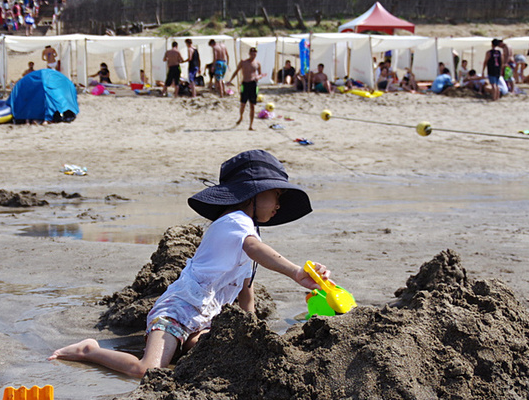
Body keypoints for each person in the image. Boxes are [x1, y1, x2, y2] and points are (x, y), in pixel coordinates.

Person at [49, 150, 328, 378]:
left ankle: (185, 345)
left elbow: (246, 292)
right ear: (252, 194)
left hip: (203, 320)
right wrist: (296, 272)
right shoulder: (234, 222)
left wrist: (252, 333)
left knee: (210, 355)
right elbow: (256, 249)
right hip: (176, 312)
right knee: (147, 370)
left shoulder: (249, 231)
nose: (279, 203)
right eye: (276, 195)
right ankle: (89, 351)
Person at [228, 47, 264, 130]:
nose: (253, 55)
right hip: (245, 84)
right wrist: (230, 80)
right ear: (249, 54)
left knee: (253, 105)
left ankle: (251, 125)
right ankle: (241, 117)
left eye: (255, 54)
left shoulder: (257, 63)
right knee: (243, 104)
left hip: (253, 84)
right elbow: (236, 71)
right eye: (252, 53)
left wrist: (258, 77)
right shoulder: (243, 62)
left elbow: (260, 74)